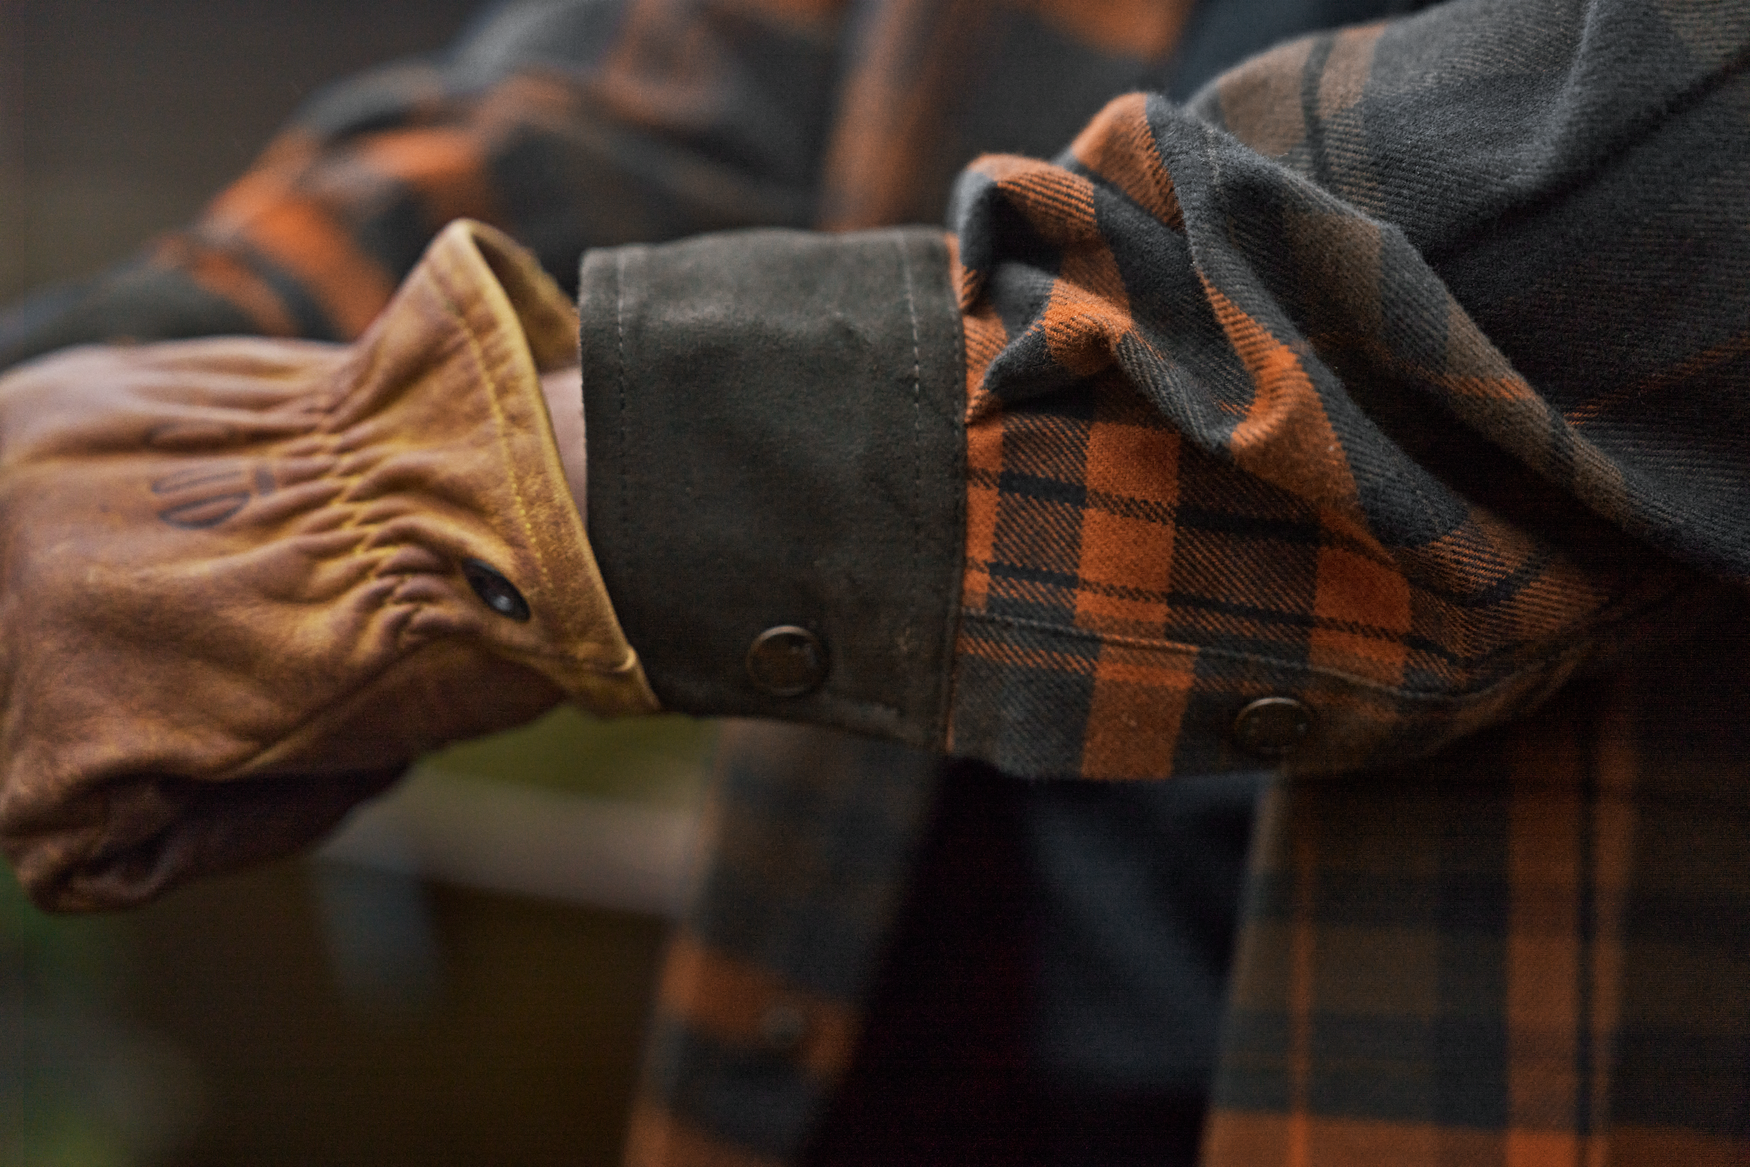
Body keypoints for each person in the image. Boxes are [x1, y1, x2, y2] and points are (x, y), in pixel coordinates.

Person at [0, 2, 1746, 1166]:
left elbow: (1649, 203)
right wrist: (101, 406)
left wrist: (474, 492)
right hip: (903, 1024)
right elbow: (700, 85)